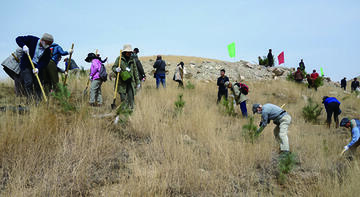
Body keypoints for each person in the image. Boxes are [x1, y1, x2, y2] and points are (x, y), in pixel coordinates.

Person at [16, 33, 54, 102]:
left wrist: (38, 68)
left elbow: (45, 61)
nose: (48, 46)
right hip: (26, 65)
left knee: (38, 83)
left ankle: (38, 101)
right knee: (29, 82)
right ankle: (30, 100)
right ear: (43, 40)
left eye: (50, 44)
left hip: (37, 67)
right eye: (48, 44)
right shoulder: (32, 39)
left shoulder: (47, 50)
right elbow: (18, 39)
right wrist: (24, 46)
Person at [112, 44, 140, 109]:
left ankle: (132, 111)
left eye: (130, 52)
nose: (129, 53)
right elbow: (113, 67)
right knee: (123, 99)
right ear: (124, 52)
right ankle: (123, 112)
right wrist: (116, 69)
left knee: (131, 98)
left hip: (130, 82)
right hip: (121, 83)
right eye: (128, 52)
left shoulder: (132, 60)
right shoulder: (119, 59)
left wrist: (138, 82)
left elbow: (135, 71)